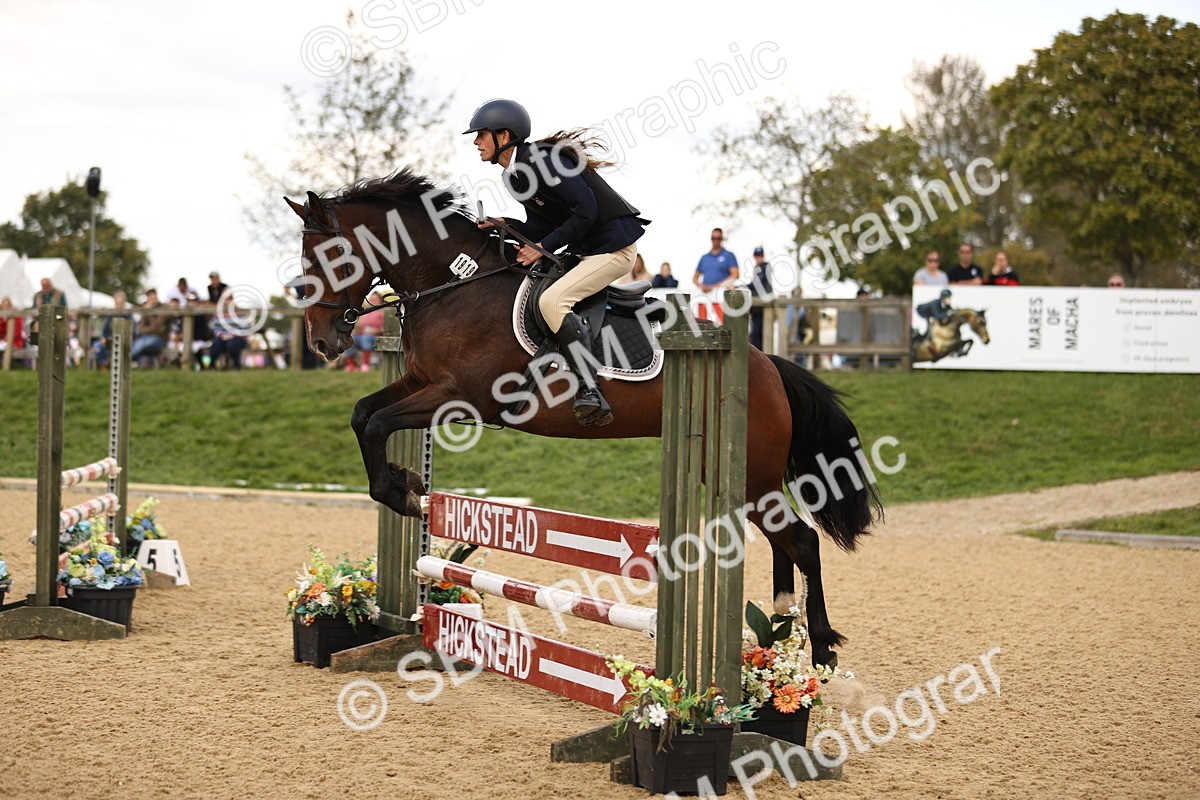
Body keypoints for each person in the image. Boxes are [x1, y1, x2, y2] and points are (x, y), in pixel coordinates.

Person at [466, 98, 648, 427]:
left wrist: (542, 247)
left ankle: (590, 389)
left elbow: (586, 211)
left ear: (503, 137)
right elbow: (541, 228)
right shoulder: (515, 177)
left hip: (613, 249)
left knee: (553, 300)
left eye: (480, 135)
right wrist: (504, 224)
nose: (476, 142)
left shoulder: (544, 160)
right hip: (587, 250)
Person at [94, 291, 134, 368]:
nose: (119, 306)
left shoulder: (129, 316)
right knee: (97, 345)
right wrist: (104, 339)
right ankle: (104, 365)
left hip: (124, 341)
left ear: (124, 303)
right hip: (110, 341)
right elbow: (104, 332)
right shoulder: (111, 316)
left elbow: (132, 333)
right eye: (117, 304)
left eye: (121, 304)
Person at [693, 228, 739, 293]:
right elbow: (695, 278)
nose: (716, 240)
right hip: (706, 294)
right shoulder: (704, 257)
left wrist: (716, 286)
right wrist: (701, 286)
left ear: (722, 239)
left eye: (718, 238)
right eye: (713, 238)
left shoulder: (729, 255)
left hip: (721, 293)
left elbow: (735, 275)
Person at [131, 289, 167, 365]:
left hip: (159, 339)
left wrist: (149, 313)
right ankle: (131, 361)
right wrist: (145, 313)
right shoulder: (146, 308)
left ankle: (128, 360)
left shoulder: (164, 309)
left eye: (154, 299)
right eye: (150, 299)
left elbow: (155, 327)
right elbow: (140, 329)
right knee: (137, 344)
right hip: (145, 337)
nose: (153, 301)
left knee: (142, 345)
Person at [746, 246, 772, 350]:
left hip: (763, 307)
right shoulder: (757, 268)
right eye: (757, 256)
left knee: (759, 335)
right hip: (756, 307)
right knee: (755, 335)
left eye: (760, 256)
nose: (758, 258)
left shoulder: (765, 267)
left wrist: (740, 286)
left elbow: (758, 284)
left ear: (763, 256)